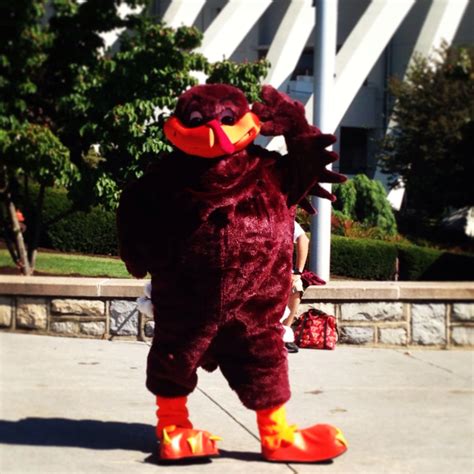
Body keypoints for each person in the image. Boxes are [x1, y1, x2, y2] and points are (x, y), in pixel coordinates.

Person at [281, 220, 309, 353]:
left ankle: (285, 334)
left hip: (279, 269)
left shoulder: (282, 216)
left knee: (296, 285)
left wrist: (298, 272)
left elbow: (303, 238)